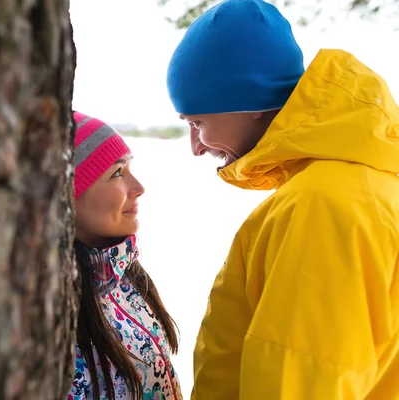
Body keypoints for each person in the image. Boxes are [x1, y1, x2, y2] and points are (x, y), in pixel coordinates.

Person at [166, 0, 399, 399]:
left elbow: (304, 377)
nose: (195, 146)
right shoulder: (355, 182)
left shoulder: (322, 206)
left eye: (198, 122)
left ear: (251, 103)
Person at [68, 111, 182, 400]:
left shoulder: (125, 274)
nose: (139, 188)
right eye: (117, 173)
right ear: (67, 195)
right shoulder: (53, 307)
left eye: (129, 168)